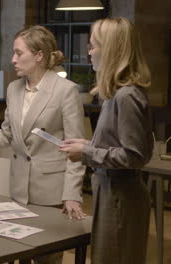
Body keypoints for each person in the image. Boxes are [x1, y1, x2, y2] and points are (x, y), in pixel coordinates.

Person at [0, 25, 86, 264]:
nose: (13, 59)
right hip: (18, 191)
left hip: (51, 193)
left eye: (18, 53)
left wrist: (72, 194)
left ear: (39, 56)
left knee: (47, 259)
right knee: (21, 253)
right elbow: (7, 136)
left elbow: (76, 149)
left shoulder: (66, 91)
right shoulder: (14, 89)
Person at [60, 17, 152, 264]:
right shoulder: (115, 94)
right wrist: (87, 146)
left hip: (121, 196)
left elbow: (135, 156)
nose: (88, 52)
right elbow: (116, 146)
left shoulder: (127, 96)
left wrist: (87, 153)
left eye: (93, 45)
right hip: (110, 192)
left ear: (111, 49)